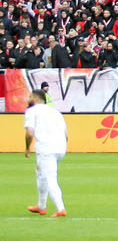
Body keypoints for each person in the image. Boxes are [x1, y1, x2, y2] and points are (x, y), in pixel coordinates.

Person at [23, 88, 67, 217]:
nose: (28, 99)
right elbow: (66, 133)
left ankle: (60, 208)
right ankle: (41, 206)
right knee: (41, 173)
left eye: (30, 96)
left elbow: (30, 132)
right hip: (60, 147)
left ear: (36, 98)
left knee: (50, 178)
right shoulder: (56, 112)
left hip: (46, 148)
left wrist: (27, 148)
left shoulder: (32, 111)